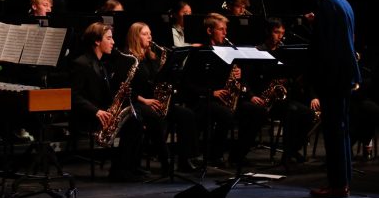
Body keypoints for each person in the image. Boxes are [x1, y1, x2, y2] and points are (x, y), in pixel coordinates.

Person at [181, 13, 267, 173]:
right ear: (209, 31)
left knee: (258, 111)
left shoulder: (229, 52)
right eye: (221, 29)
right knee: (226, 114)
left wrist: (238, 76)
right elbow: (186, 84)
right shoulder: (199, 52)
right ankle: (215, 156)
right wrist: (211, 92)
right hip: (203, 99)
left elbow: (237, 81)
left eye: (225, 30)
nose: (225, 33)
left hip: (225, 99)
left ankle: (238, 155)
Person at [306, 0, 361, 198]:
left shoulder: (325, 6)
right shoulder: (345, 4)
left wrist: (313, 24)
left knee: (333, 131)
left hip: (332, 78)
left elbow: (325, 47)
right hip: (346, 75)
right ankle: (343, 181)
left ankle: (337, 185)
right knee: (343, 129)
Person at [70, 22, 144, 182]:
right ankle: (119, 170)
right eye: (109, 38)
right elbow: (73, 96)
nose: (113, 42)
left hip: (101, 111)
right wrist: (96, 111)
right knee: (132, 125)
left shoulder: (103, 64)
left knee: (136, 120)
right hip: (87, 115)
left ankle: (128, 167)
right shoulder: (81, 63)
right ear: (97, 41)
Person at [126, 22, 199, 174]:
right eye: (145, 34)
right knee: (157, 119)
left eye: (150, 33)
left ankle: (185, 160)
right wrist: (144, 100)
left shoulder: (153, 57)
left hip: (156, 100)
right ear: (135, 36)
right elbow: (125, 88)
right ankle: (165, 161)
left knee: (187, 115)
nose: (149, 37)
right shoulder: (129, 58)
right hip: (140, 102)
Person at [256, 17, 316, 169]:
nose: (280, 36)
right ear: (268, 32)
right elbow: (253, 78)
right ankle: (287, 156)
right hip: (265, 99)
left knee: (308, 114)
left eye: (282, 33)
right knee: (292, 111)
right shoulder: (259, 51)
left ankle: (291, 150)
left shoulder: (286, 52)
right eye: (277, 32)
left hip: (282, 99)